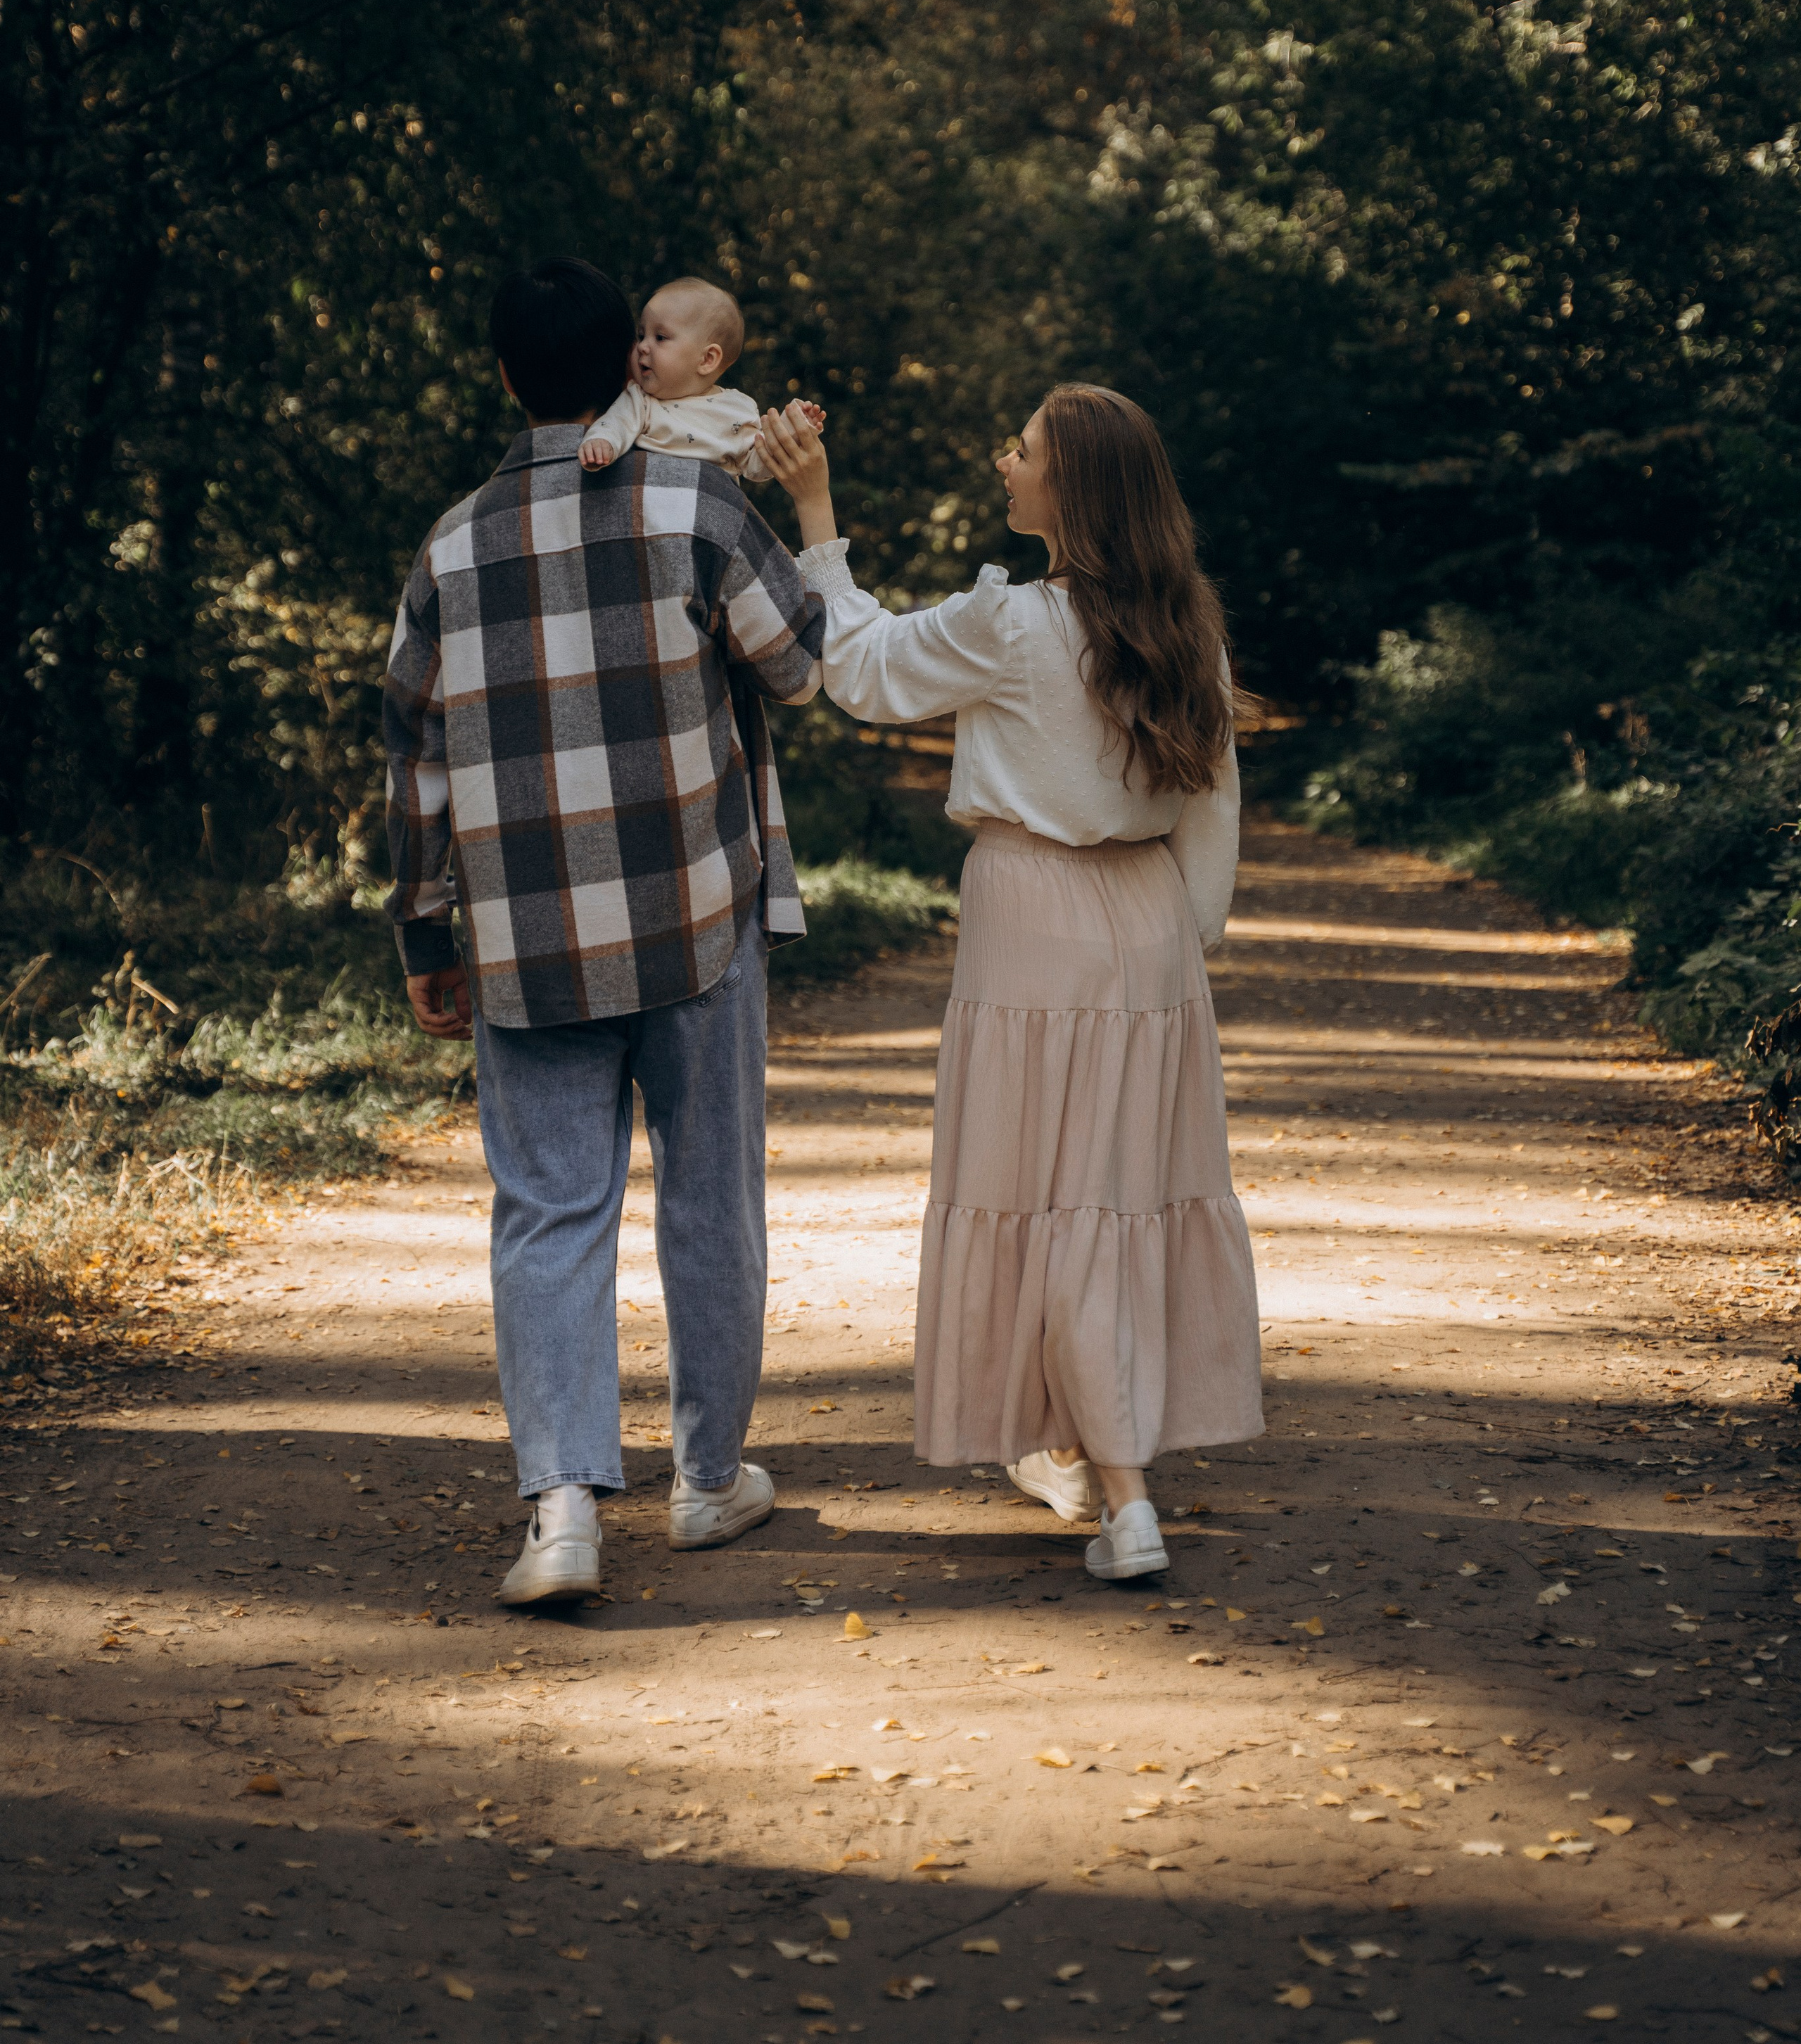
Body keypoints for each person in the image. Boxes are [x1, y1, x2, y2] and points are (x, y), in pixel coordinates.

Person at [758, 382, 1263, 1582]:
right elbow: (1215, 801)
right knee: (1109, 1194)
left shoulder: (1011, 620)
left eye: (1024, 448)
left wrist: (814, 506)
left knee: (1048, 1197)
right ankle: (1065, 1441)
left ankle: (1125, 1496)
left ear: (1070, 485)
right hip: (1148, 924)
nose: (1005, 459)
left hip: (1032, 916)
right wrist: (1180, 949)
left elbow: (864, 668)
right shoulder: (1185, 615)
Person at [383, 257, 827, 1608]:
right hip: (695, 913)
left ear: (508, 376)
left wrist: (427, 941)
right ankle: (706, 1481)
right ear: (627, 359)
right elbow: (803, 666)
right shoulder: (704, 506)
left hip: (524, 938)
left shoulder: (450, 547)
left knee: (549, 1209)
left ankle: (563, 1506)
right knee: (710, 1193)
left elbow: (416, 762)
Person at [577, 274, 823, 478]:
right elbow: (616, 425)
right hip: (652, 512)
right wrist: (602, 443)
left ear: (706, 360)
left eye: (660, 338)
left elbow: (757, 466)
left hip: (710, 520)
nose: (642, 346)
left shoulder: (737, 409)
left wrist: (792, 434)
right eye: (642, 335)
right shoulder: (639, 401)